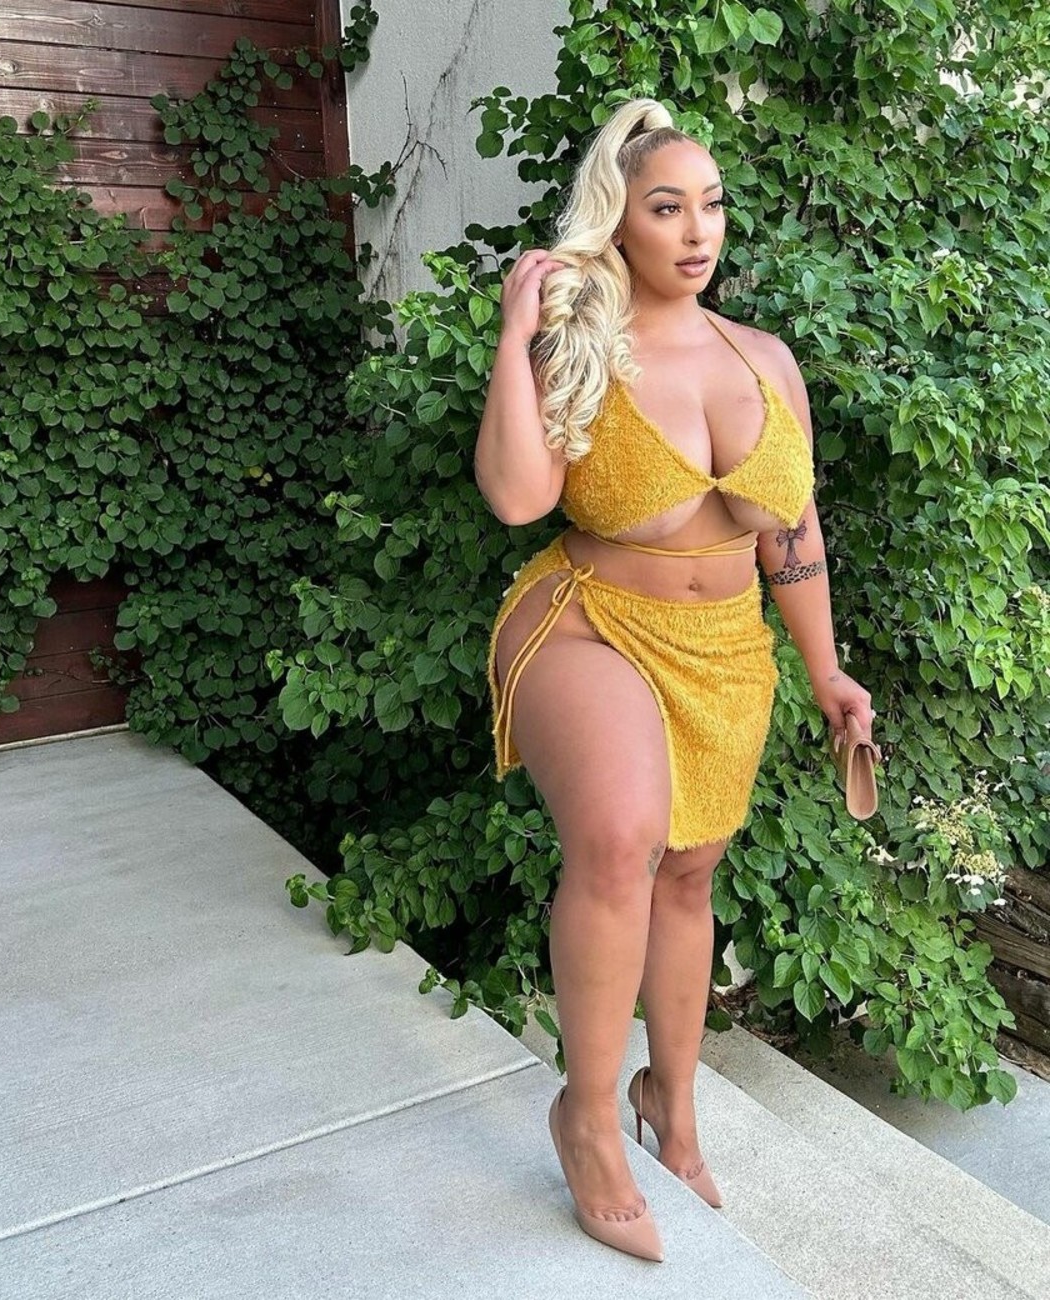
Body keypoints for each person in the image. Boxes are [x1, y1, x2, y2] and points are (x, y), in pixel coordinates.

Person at [474, 97, 873, 1263]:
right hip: (588, 621)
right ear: (620, 222)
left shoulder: (764, 359)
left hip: (725, 646)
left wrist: (826, 667)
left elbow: (789, 530)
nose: (698, 231)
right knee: (620, 840)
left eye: (711, 205)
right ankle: (588, 1117)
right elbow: (518, 497)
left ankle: (672, 1104)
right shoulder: (580, 349)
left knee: (688, 875)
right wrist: (516, 331)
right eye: (666, 208)